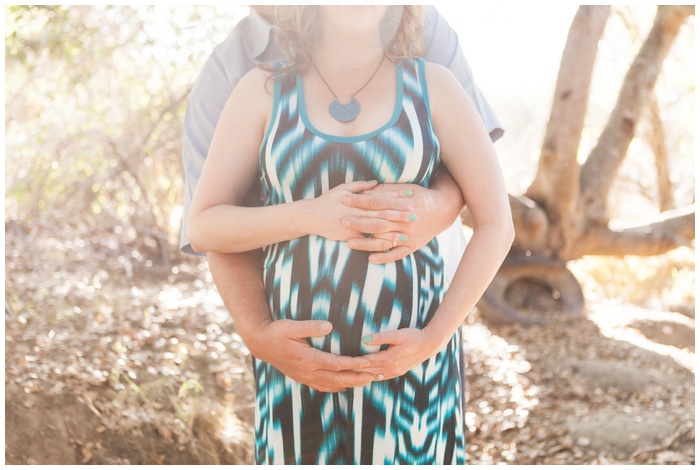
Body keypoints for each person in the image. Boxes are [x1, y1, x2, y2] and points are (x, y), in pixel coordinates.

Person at [187, 5, 514, 465]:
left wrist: (433, 340)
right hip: (297, 375)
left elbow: (497, 223)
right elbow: (204, 225)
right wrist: (312, 216)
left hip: (411, 375)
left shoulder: (435, 86)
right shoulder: (259, 90)